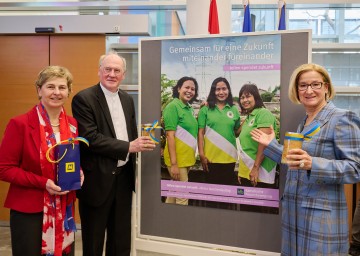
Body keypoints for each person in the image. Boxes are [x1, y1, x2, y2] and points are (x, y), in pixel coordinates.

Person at [250, 63, 360, 255]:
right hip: (294, 214)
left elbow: (355, 168)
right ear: (297, 90)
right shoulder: (305, 121)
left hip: (321, 219)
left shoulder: (342, 118)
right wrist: (271, 146)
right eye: (303, 85)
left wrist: (313, 163)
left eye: (315, 84)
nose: (309, 90)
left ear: (326, 87)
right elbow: (296, 162)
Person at [71, 52, 155, 256]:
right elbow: (90, 137)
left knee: (121, 240)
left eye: (117, 70)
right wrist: (128, 147)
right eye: (107, 69)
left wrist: (134, 169)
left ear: (124, 75)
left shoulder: (127, 99)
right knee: (93, 241)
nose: (112, 74)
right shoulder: (84, 98)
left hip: (123, 180)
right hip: (96, 181)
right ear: (99, 71)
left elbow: (131, 133)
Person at [0, 66, 80, 256]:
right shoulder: (19, 124)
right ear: (39, 90)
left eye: (62, 87)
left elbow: (71, 159)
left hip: (64, 208)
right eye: (50, 87)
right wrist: (43, 183)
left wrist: (79, 172)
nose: (56, 93)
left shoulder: (72, 124)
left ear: (68, 91)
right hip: (30, 211)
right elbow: (4, 168)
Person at [197, 77, 240, 187]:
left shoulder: (234, 109)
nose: (221, 92)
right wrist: (201, 154)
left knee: (226, 194)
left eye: (224, 89)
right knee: (212, 194)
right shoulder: (205, 109)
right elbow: (200, 132)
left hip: (229, 158)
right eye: (217, 89)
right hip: (211, 158)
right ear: (213, 91)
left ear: (228, 90)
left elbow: (236, 132)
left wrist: (249, 119)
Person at [163, 76, 198, 205]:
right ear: (179, 89)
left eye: (193, 89)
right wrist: (174, 164)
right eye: (186, 87)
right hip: (177, 161)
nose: (189, 91)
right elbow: (170, 136)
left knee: (173, 194)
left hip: (186, 158)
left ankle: (165, 222)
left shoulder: (188, 108)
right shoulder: (173, 107)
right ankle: (181, 224)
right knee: (183, 197)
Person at [238, 83, 277, 188]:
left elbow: (264, 144)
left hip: (261, 171)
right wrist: (242, 171)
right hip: (248, 169)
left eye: (248, 96)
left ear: (256, 97)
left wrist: (255, 168)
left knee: (257, 203)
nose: (244, 100)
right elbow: (237, 134)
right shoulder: (249, 117)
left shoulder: (263, 113)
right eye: (242, 98)